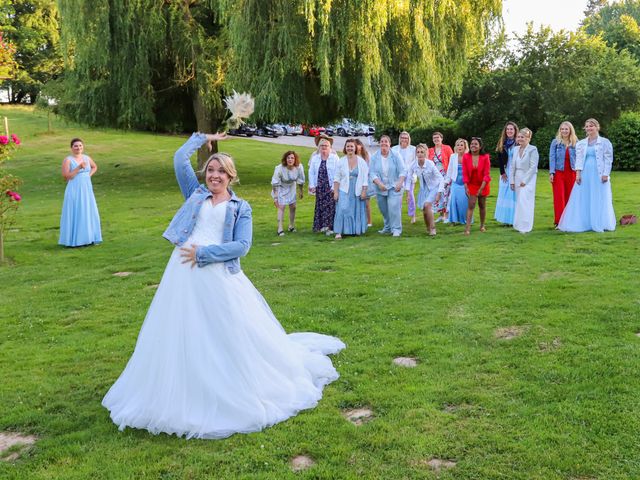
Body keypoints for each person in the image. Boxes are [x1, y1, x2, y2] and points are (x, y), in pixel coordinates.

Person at [102, 132, 345, 439]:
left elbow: (242, 246)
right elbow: (179, 159)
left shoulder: (240, 208)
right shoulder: (195, 194)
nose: (214, 176)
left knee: (222, 330)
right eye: (211, 171)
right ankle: (179, 383)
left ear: (231, 176)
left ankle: (224, 383)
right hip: (180, 275)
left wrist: (204, 253)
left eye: (220, 172)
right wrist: (204, 138)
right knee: (178, 327)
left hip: (215, 274)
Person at [558, 118, 616, 232]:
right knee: (584, 197)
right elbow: (578, 160)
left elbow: (608, 159)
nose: (589, 128)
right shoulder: (581, 143)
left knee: (599, 197)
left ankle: (600, 222)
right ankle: (585, 222)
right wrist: (578, 174)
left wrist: (606, 174)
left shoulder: (605, 142)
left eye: (591, 126)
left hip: (598, 174)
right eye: (587, 126)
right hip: (585, 174)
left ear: (597, 127)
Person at [59, 138, 102, 247]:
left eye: (80, 146)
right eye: (76, 146)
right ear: (71, 148)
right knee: (77, 210)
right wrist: (78, 168)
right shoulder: (68, 160)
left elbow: (95, 166)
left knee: (87, 210)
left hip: (86, 188)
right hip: (74, 189)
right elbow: (66, 177)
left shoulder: (87, 158)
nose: (78, 148)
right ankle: (76, 240)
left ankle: (90, 238)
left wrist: (88, 175)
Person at [369, 135, 406, 237]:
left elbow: (403, 170)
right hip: (380, 187)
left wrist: (400, 182)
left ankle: (396, 229)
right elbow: (371, 173)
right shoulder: (374, 157)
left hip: (394, 186)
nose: (384, 143)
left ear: (390, 144)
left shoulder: (396, 155)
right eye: (382, 141)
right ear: (379, 143)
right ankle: (388, 227)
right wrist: (379, 184)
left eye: (386, 141)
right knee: (384, 209)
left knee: (394, 208)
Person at [332, 138, 369, 239]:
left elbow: (365, 178)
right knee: (342, 209)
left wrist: (364, 191)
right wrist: (335, 192)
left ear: (355, 148)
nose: (349, 148)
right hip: (344, 189)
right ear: (345, 148)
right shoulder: (341, 161)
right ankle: (339, 232)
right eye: (348, 146)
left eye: (351, 146)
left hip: (357, 189)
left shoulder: (361, 162)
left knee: (356, 210)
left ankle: (355, 230)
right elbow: (336, 178)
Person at [406, 144, 444, 236]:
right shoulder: (413, 165)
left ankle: (432, 228)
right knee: (424, 210)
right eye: (418, 152)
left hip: (433, 188)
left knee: (427, 205)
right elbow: (408, 179)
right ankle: (428, 227)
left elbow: (441, 178)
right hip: (423, 189)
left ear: (425, 153)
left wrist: (439, 192)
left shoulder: (430, 164)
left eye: (422, 152)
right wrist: (408, 194)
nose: (420, 154)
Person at [510, 128, 539, 233]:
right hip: (517, 176)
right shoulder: (515, 149)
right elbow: (512, 166)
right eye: (519, 137)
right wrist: (512, 181)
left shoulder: (533, 149)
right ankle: (518, 224)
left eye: (523, 137)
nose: (520, 139)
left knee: (525, 201)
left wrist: (525, 180)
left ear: (528, 138)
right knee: (519, 201)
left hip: (529, 177)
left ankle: (526, 226)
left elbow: (533, 166)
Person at [308, 136, 339, 234]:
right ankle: (321, 226)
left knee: (330, 207)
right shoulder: (315, 158)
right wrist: (312, 185)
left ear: (330, 147)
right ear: (319, 147)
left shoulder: (334, 158)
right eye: (322, 146)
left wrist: (335, 187)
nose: (324, 147)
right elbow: (311, 172)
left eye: (326, 146)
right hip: (320, 186)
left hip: (330, 187)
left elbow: (338, 173)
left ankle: (330, 228)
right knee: (320, 206)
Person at [549, 121, 577, 226]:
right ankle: (559, 222)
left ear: (570, 130)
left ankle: (570, 221)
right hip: (558, 172)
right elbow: (552, 158)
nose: (564, 131)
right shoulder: (555, 142)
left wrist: (579, 173)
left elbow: (579, 158)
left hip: (572, 172)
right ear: (560, 130)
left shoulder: (576, 142)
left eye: (566, 129)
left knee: (570, 197)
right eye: (562, 129)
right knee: (559, 198)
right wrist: (551, 173)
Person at [271, 150, 305, 236]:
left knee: (293, 206)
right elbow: (275, 183)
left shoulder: (299, 167)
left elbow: (300, 180)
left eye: (292, 158)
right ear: (285, 159)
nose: (290, 160)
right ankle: (280, 228)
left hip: (291, 187)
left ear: (295, 159)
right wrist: (275, 198)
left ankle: (291, 225)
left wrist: (300, 191)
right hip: (281, 188)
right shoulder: (279, 168)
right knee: (281, 206)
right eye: (288, 158)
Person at [462, 137, 491, 235]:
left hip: (483, 184)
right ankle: (467, 228)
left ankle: (482, 225)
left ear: (480, 146)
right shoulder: (466, 156)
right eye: (472, 144)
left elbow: (487, 174)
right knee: (471, 204)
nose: (473, 145)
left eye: (475, 144)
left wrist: (481, 188)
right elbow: (465, 173)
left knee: (482, 205)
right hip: (471, 184)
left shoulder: (485, 157)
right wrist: (466, 186)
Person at [493, 121, 519, 226]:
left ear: (515, 130)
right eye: (507, 129)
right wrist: (502, 172)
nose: (509, 131)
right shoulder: (502, 143)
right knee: (504, 194)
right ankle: (504, 219)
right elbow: (499, 159)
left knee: (513, 194)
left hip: (516, 171)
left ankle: (513, 219)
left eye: (511, 129)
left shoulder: (518, 142)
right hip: (505, 171)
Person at [391, 131, 417, 223]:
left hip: (409, 175)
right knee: (398, 196)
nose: (404, 139)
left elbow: (415, 162)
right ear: (400, 138)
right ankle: (398, 215)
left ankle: (413, 215)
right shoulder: (394, 149)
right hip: (398, 176)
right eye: (402, 137)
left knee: (410, 195)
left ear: (408, 139)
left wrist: (413, 173)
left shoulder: (413, 149)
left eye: (406, 138)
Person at [427, 132, 453, 223]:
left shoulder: (447, 148)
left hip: (445, 173)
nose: (436, 139)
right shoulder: (430, 150)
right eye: (434, 138)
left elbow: (452, 160)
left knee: (446, 193)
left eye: (438, 137)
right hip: (435, 175)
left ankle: (447, 215)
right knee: (438, 195)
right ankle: (441, 215)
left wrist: (450, 174)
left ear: (441, 138)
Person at [445, 138, 471, 226]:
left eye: (461, 145)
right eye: (458, 145)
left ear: (465, 147)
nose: (459, 147)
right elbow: (450, 169)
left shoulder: (469, 156)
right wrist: (446, 181)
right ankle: (453, 220)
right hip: (455, 183)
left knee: (464, 202)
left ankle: (465, 220)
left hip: (465, 184)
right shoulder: (453, 156)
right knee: (453, 201)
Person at [354, 138, 373, 227]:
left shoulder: (366, 155)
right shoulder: (353, 156)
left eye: (358, 145)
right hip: (355, 182)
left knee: (366, 203)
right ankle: (359, 220)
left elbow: (370, 168)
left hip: (365, 182)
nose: (357, 147)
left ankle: (369, 221)